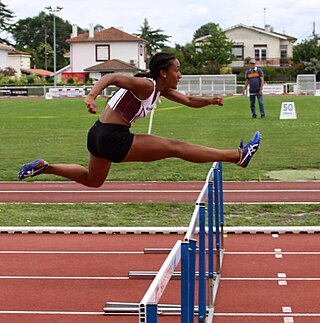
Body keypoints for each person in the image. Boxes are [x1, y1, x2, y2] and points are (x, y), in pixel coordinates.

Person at [18, 52, 261, 187]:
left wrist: (209, 101)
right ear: (163, 72)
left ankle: (45, 167)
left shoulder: (160, 89)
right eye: (177, 69)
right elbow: (112, 77)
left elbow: (188, 101)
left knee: (93, 180)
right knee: (176, 147)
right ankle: (237, 156)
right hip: (113, 137)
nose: (180, 73)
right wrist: (91, 96)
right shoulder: (146, 85)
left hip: (97, 134)